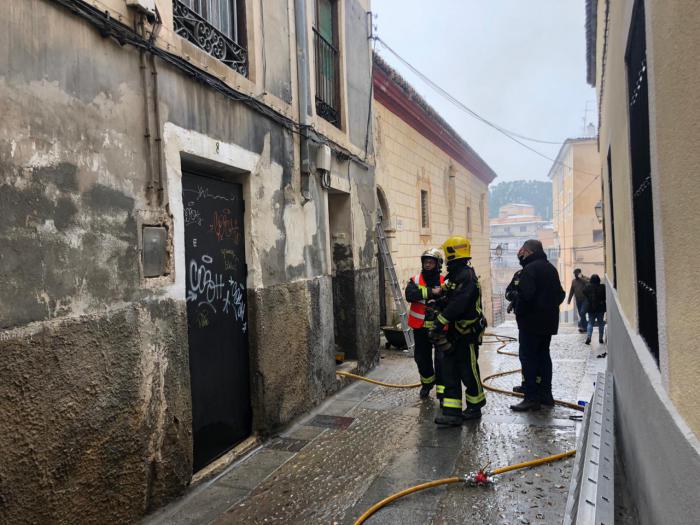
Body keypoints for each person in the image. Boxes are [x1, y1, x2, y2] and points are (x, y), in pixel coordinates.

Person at [431, 236, 487, 426]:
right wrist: (438, 302)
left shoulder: (467, 277)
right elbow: (450, 297)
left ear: (453, 253)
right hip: (455, 333)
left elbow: (459, 305)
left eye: (447, 255)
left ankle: (475, 407)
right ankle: (452, 413)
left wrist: (439, 322)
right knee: (450, 371)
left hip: (467, 334)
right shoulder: (456, 276)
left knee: (468, 371)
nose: (446, 260)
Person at [507, 239, 565, 412]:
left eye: (522, 250)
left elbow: (526, 296)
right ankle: (546, 396)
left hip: (531, 323)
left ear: (528, 252)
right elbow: (560, 295)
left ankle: (531, 398)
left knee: (528, 358)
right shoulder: (550, 268)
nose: (520, 253)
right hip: (548, 323)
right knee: (543, 357)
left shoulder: (529, 270)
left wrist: (520, 310)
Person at [404, 248, 445, 400]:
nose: (427, 265)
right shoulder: (414, 280)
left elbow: (449, 300)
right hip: (420, 327)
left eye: (431, 262)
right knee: (421, 358)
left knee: (441, 360)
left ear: (437, 264)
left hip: (440, 327)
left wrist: (437, 297)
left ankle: (442, 389)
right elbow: (410, 295)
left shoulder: (444, 281)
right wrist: (432, 292)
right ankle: (427, 384)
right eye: (425, 262)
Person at [583, 274, 606, 345]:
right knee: (601, 323)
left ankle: (589, 337)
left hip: (591, 308)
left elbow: (584, 292)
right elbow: (605, 296)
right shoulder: (602, 287)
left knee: (590, 323)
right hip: (600, 308)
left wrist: (589, 299)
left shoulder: (587, 287)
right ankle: (601, 338)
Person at [567, 269, 589, 333]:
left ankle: (583, 327)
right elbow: (572, 291)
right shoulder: (573, 281)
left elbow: (588, 283)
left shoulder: (585, 279)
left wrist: (581, 278)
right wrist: (569, 300)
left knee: (582, 312)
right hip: (578, 300)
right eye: (574, 274)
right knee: (581, 314)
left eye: (576, 274)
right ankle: (584, 327)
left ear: (579, 273)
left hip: (585, 299)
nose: (575, 275)